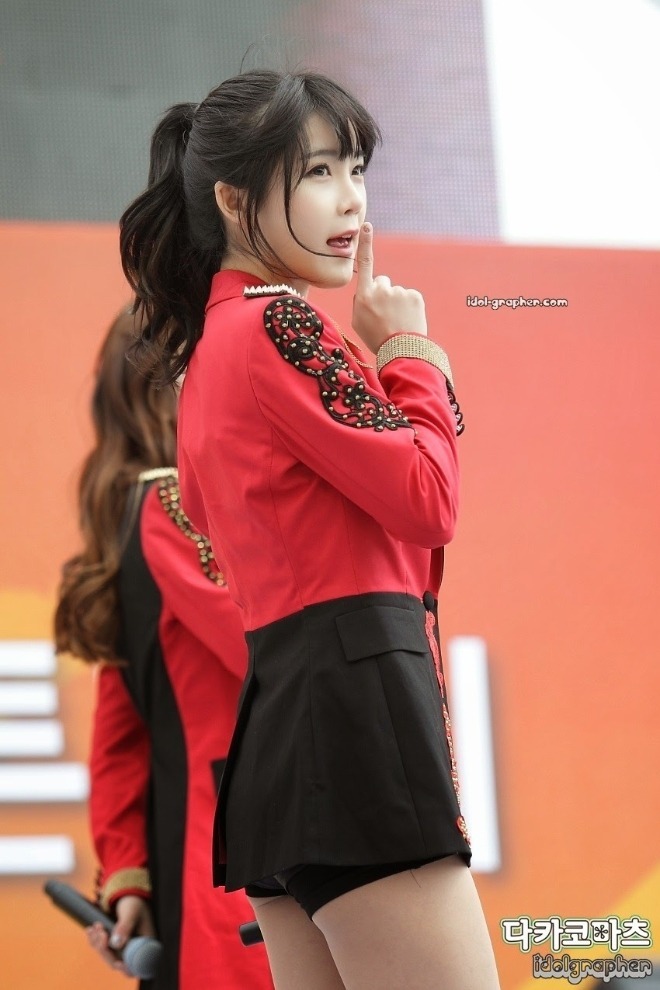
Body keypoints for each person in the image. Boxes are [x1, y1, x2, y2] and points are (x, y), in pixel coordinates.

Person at [119, 69, 501, 990]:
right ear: (233, 201)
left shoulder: (209, 352)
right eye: (319, 172)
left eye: (355, 170)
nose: (351, 201)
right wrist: (408, 349)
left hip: (281, 732)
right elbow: (428, 499)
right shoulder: (279, 324)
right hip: (358, 718)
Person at [54, 310, 273, 990]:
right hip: (247, 857)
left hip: (218, 860)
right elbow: (273, 650)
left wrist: (128, 879)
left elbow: (118, 741)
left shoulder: (140, 514)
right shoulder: (175, 505)